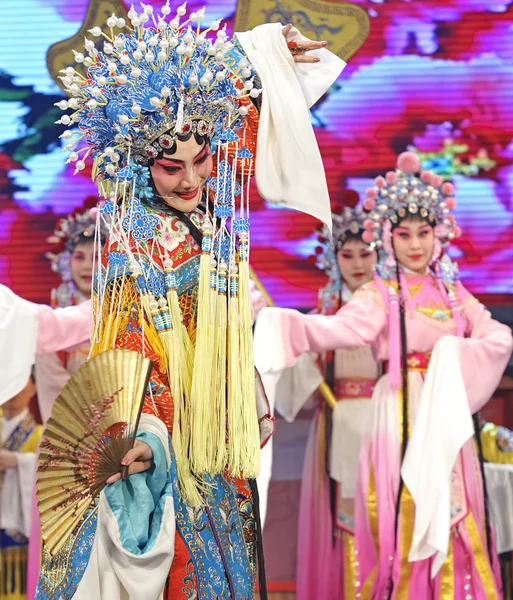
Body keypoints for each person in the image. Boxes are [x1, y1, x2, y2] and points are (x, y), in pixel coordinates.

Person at [35, 4, 345, 599]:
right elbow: (131, 348)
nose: (190, 179)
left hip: (217, 414)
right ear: (138, 163)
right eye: (171, 167)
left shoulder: (212, 213)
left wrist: (267, 50)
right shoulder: (134, 235)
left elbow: (234, 116)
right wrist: (147, 437)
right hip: (171, 426)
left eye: (202, 162)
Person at [257, 152, 513, 597]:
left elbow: (498, 338)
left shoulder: (454, 294)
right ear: (388, 238)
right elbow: (339, 329)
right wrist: (278, 321)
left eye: (424, 233)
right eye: (403, 235)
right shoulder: (380, 293)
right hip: (396, 419)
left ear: (440, 234)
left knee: (458, 518)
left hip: (446, 418)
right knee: (404, 520)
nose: (415, 245)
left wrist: (452, 357)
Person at [294, 193, 379, 599]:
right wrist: (302, 362)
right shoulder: (325, 309)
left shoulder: (392, 303)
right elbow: (299, 378)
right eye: (348, 254)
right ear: (334, 258)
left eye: (366, 253)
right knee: (343, 514)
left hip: (385, 419)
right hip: (337, 420)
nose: (358, 263)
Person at [0, 373, 42, 600]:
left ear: (34, 387)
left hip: (20, 532)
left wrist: (19, 462)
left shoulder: (40, 434)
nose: (13, 391)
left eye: (21, 382)